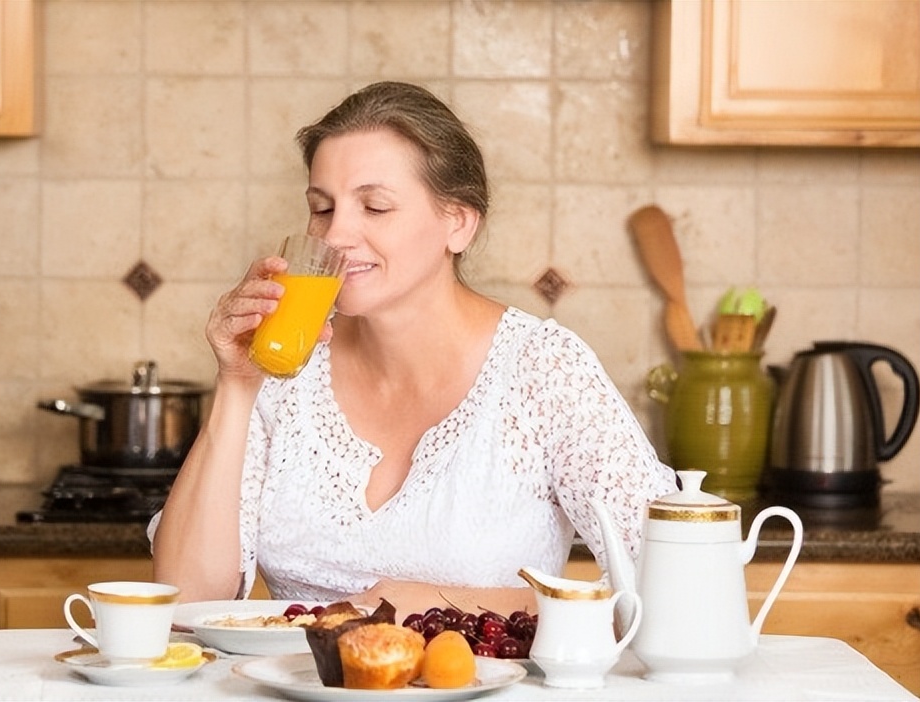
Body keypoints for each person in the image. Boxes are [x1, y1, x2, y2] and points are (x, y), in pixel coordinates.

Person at [150, 81, 677, 617]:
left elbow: (672, 593)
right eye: (322, 208)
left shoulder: (544, 370)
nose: (336, 236)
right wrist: (238, 384)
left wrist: (442, 606)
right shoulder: (287, 371)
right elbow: (185, 605)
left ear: (459, 223)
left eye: (375, 207)